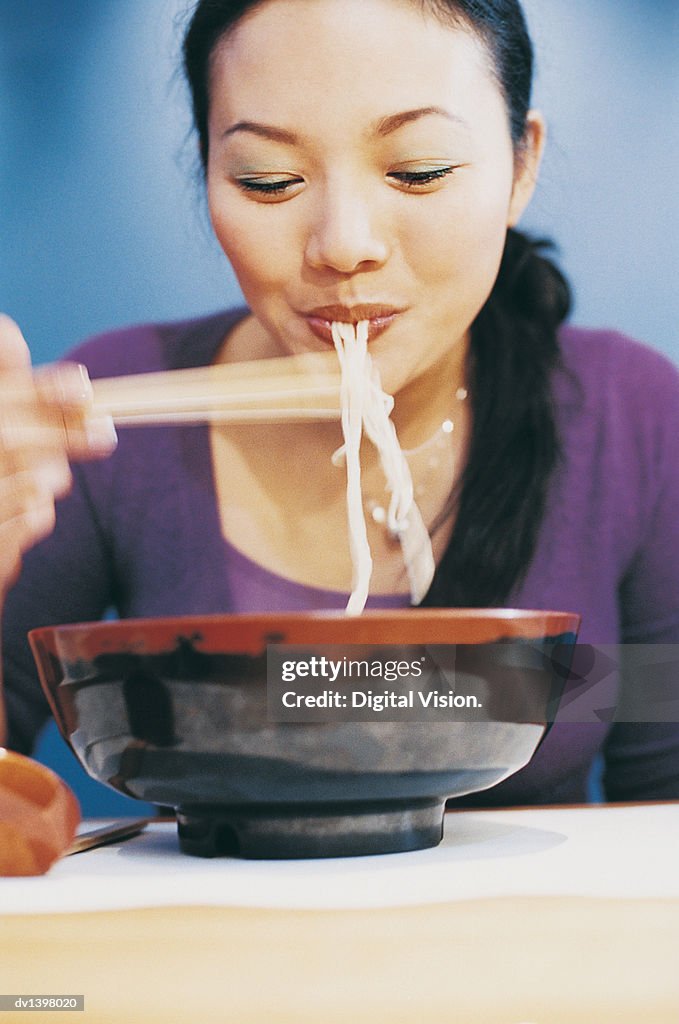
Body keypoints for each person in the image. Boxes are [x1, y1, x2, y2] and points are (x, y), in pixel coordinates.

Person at [1, 0, 678, 804]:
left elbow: (663, 790)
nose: (343, 243)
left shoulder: (625, 418)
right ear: (208, 177)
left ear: (520, 165)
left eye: (417, 170)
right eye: (269, 181)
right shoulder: (110, 419)